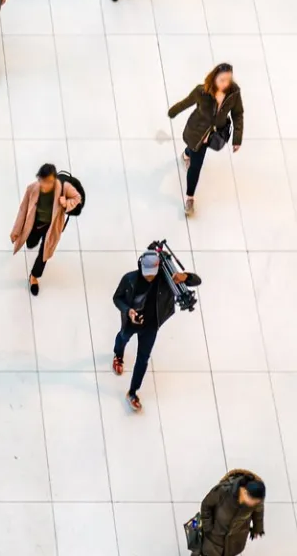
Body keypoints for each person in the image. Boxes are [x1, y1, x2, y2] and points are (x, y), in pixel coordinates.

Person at [111, 251, 202, 412]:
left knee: (143, 358)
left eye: (152, 274)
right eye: (147, 274)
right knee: (123, 337)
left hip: (152, 325)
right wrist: (128, 311)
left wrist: (185, 276)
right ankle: (118, 355)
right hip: (132, 321)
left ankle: (132, 392)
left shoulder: (168, 280)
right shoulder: (130, 279)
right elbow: (117, 298)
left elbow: (197, 280)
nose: (149, 277)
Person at [167, 63, 244, 216]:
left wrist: (237, 138)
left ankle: (186, 154)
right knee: (195, 166)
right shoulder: (201, 91)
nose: (225, 83)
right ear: (214, 77)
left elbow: (237, 114)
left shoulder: (234, 93)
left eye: (228, 79)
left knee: (192, 152)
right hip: (197, 133)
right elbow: (186, 102)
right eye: (222, 79)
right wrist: (173, 111)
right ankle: (190, 198)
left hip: (216, 134)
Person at [9, 163, 81, 295]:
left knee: (44, 254)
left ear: (54, 180)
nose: (44, 185)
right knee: (31, 242)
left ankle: (34, 276)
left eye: (48, 182)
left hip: (51, 227)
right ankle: (32, 240)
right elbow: (23, 209)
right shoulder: (32, 188)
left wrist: (66, 203)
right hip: (34, 224)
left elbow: (77, 198)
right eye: (42, 181)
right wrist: (16, 231)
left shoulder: (64, 188)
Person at [194, 469, 266, 556]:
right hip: (214, 538)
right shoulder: (223, 491)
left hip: (235, 540)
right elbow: (206, 505)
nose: (255, 504)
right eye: (253, 500)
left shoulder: (255, 502)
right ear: (244, 492)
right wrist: (208, 528)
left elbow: (258, 512)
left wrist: (257, 528)